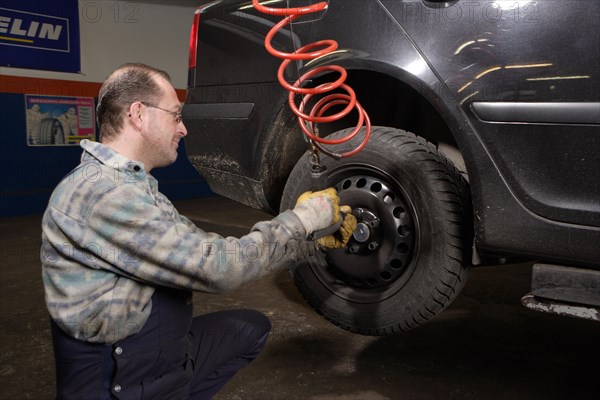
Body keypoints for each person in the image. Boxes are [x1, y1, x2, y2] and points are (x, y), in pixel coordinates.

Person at [40, 63, 357, 399]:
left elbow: (200, 246)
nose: (183, 129)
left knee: (249, 330)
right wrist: (304, 219)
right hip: (118, 377)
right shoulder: (104, 193)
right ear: (139, 114)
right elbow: (215, 266)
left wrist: (310, 239)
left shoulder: (131, 185)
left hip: (158, 352)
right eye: (175, 115)